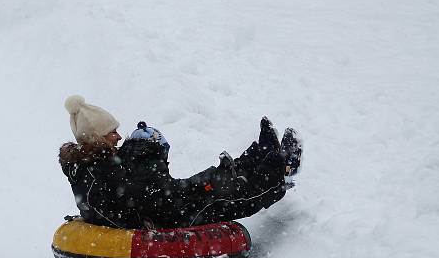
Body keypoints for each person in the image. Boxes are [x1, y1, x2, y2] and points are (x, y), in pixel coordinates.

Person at [59, 95, 301, 230]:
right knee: (219, 191)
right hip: (164, 218)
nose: (119, 137)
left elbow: (140, 189)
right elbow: (140, 198)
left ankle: (262, 156)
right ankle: (281, 171)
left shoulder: (98, 164)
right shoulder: (98, 172)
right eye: (112, 132)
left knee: (214, 179)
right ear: (96, 138)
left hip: (163, 206)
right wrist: (191, 187)